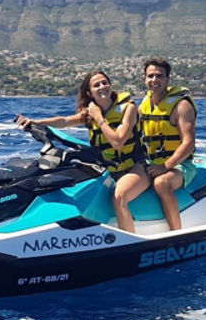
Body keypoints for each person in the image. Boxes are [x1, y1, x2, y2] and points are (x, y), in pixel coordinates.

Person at [14, 71, 150, 233]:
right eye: (96, 85)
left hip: (135, 168)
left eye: (104, 82)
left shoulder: (128, 108)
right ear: (89, 92)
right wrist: (35, 122)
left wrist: (99, 118)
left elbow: (118, 142)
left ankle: (129, 243)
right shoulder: (90, 113)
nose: (102, 87)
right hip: (107, 170)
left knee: (119, 197)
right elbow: (64, 121)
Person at [138, 58, 194, 232]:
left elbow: (189, 143)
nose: (154, 80)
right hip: (152, 163)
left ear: (167, 79)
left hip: (180, 165)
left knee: (161, 183)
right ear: (145, 79)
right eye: (150, 76)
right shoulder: (144, 105)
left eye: (159, 76)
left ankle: (176, 233)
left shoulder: (181, 106)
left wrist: (165, 166)